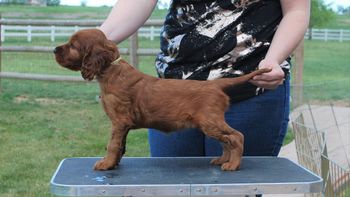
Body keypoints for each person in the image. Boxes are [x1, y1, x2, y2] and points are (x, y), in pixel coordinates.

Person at [100, 0, 309, 160]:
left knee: (232, 188)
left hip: (248, 91)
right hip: (171, 93)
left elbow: (296, 10)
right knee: (172, 186)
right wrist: (96, 40)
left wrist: (273, 59)